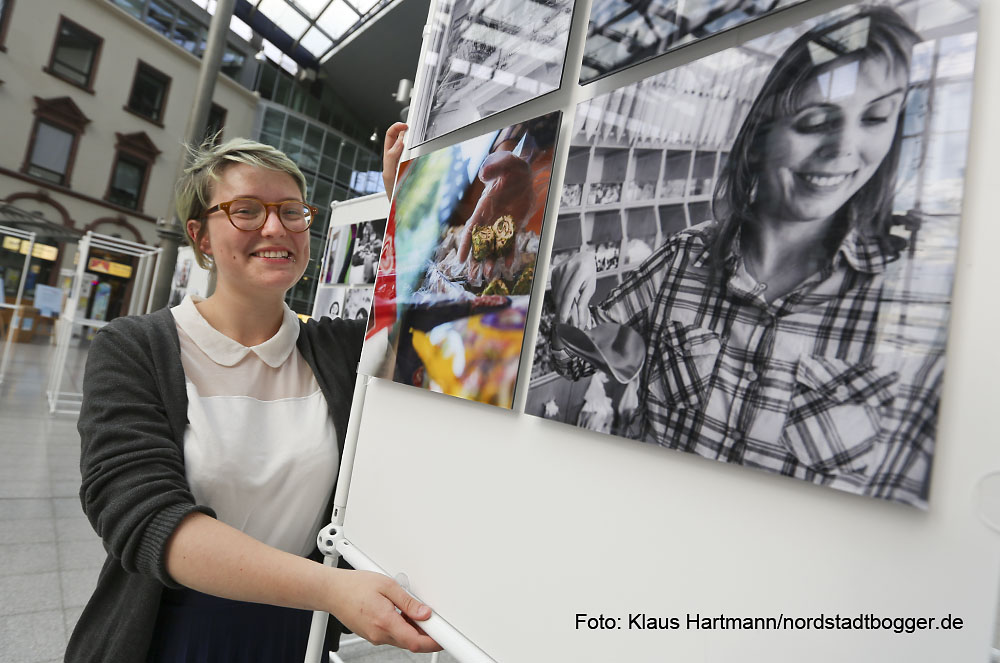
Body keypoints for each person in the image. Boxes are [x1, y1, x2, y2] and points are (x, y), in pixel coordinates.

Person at [548, 7, 943, 507]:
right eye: (816, 121)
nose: (844, 147)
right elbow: (577, 359)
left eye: (876, 118)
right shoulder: (683, 258)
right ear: (759, 140)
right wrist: (568, 294)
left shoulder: (911, 312)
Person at [70, 137, 440, 662]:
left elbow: (439, 323)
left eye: (291, 211)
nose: (275, 228)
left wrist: (410, 197)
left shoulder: (337, 350)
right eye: (246, 210)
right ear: (200, 236)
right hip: (170, 635)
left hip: (296, 634)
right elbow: (142, 516)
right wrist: (332, 589)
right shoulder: (135, 348)